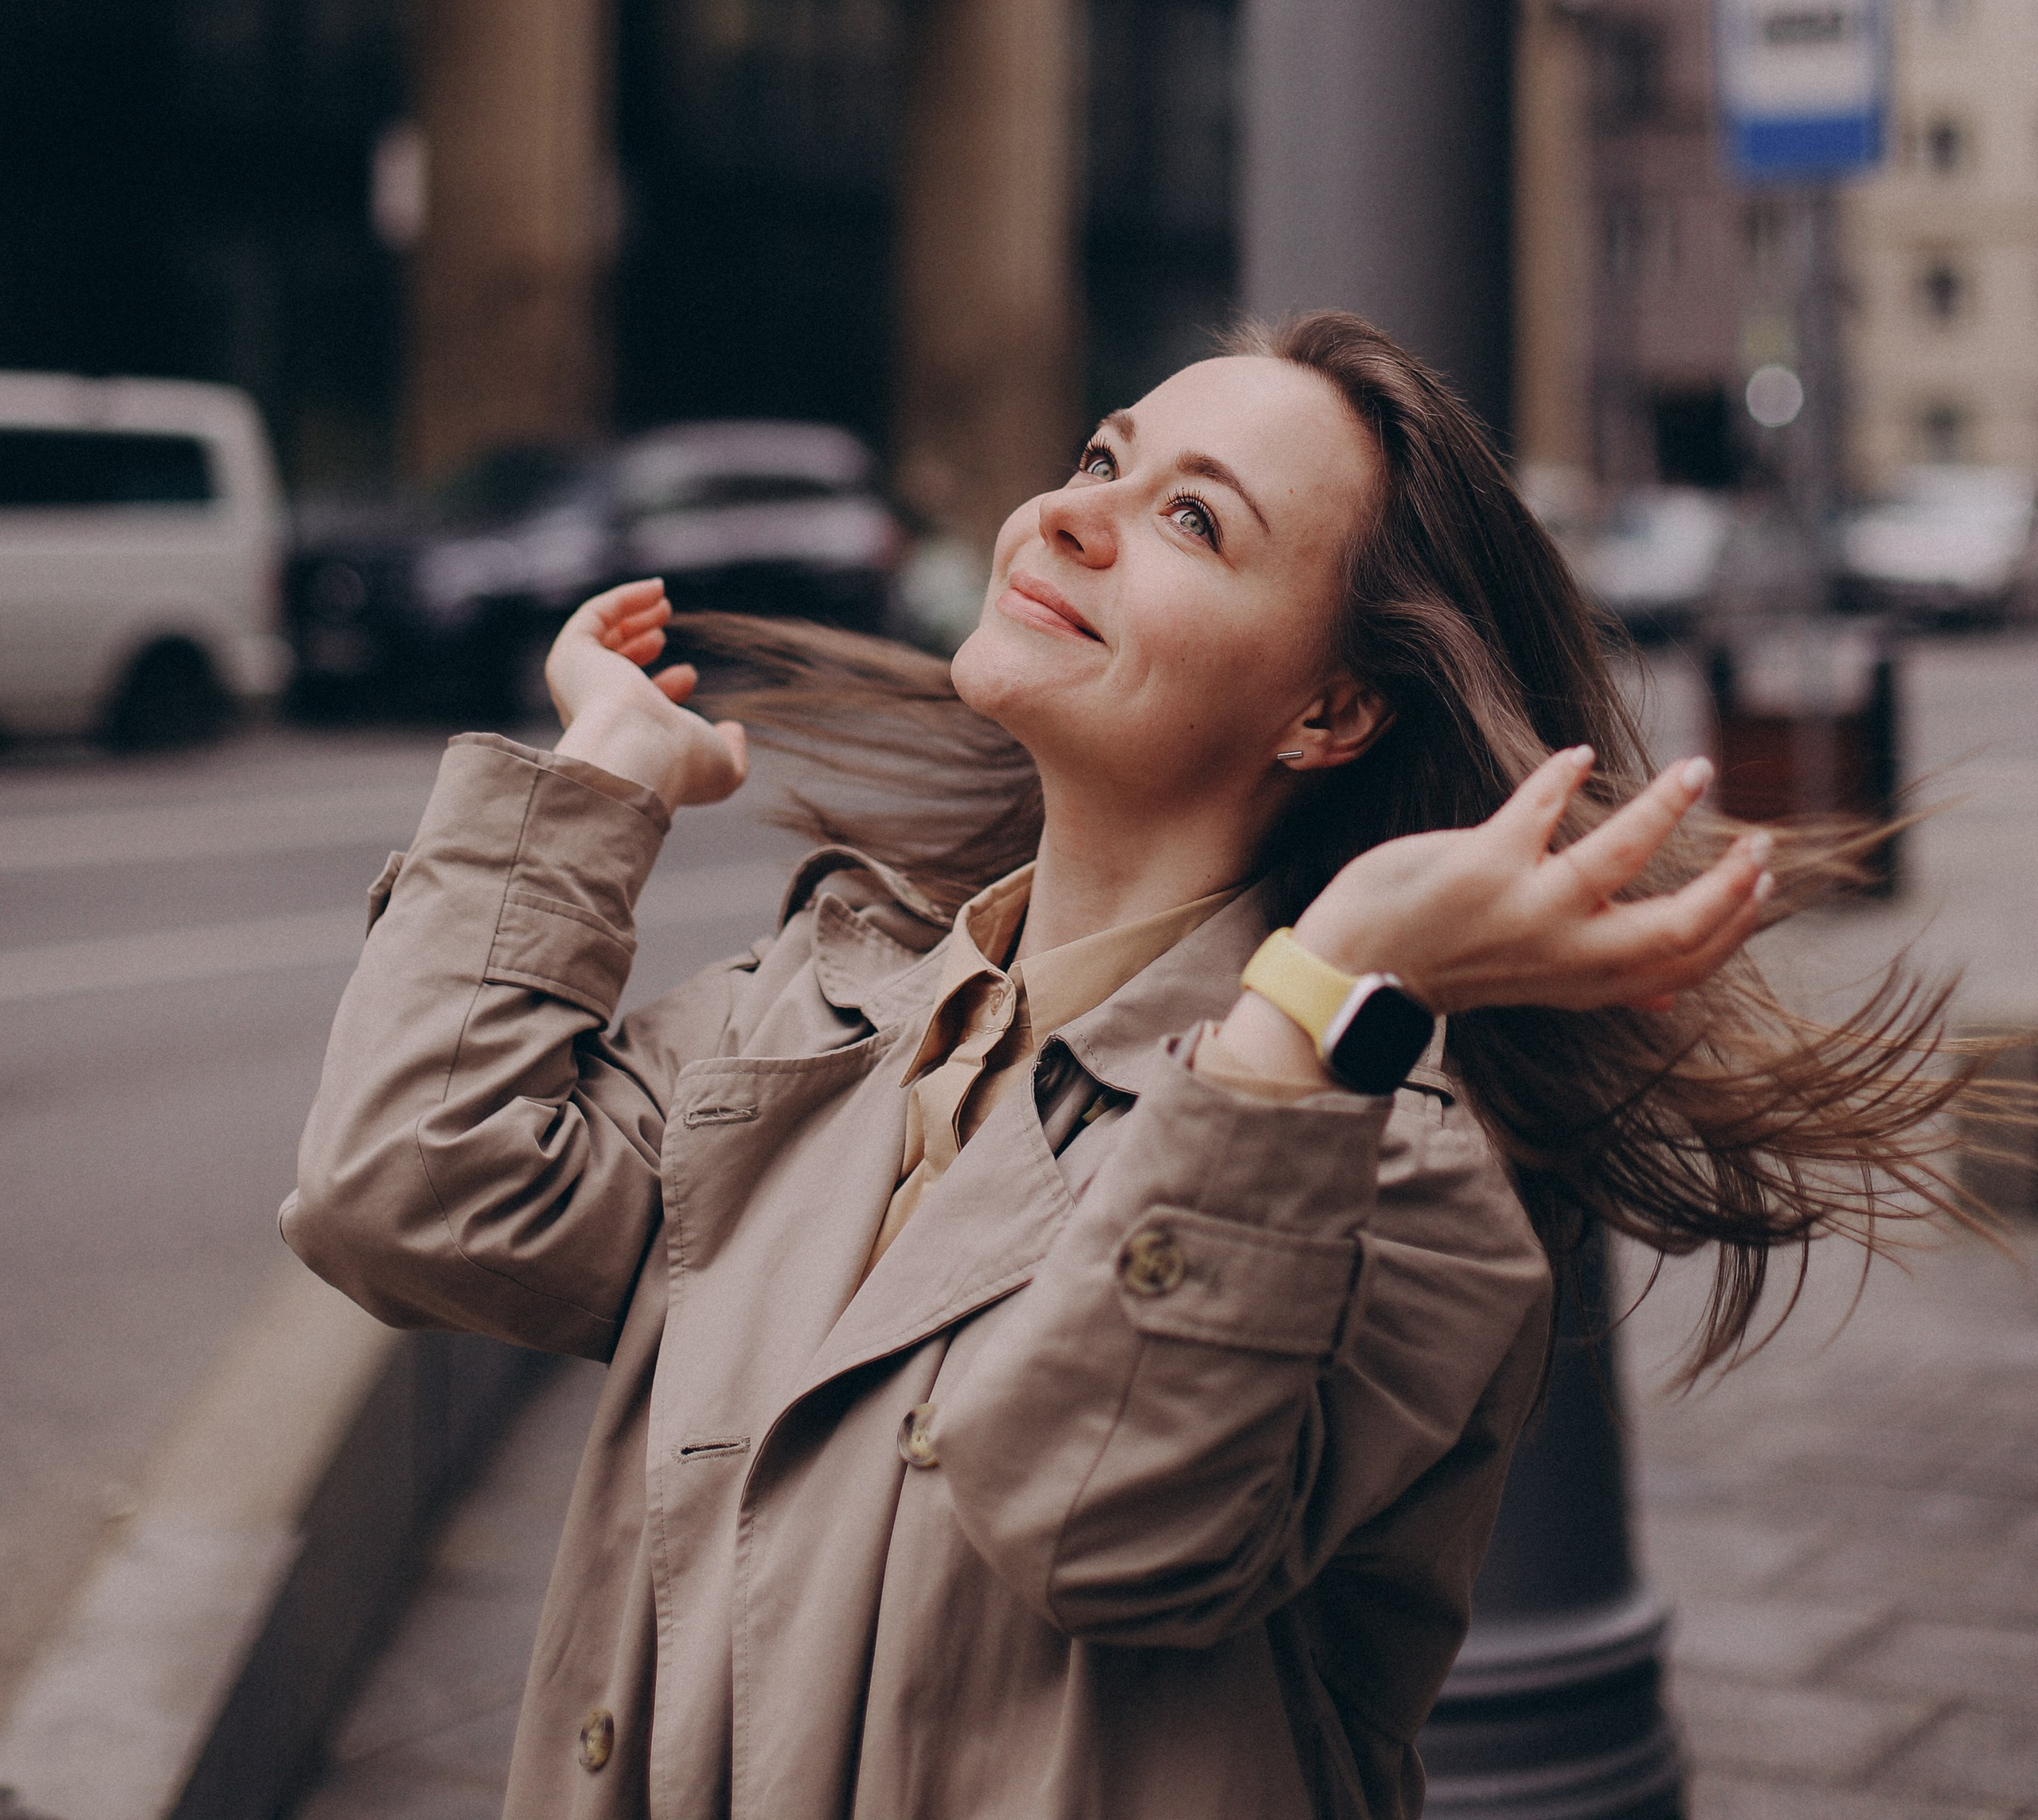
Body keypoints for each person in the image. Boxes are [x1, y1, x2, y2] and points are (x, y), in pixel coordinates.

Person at [284, 312, 1963, 1820]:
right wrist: (599, 781)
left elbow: (1101, 1520)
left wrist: (1312, 1005)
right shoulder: (817, 1015)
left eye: (1188, 519)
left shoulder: (1388, 1169)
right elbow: (409, 1195)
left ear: (1327, 713)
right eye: (1103, 456)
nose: (1068, 512)